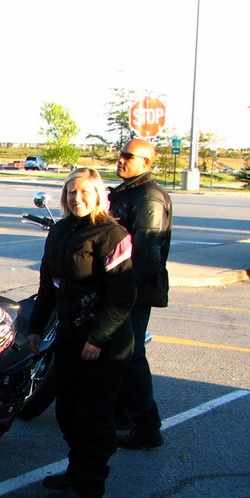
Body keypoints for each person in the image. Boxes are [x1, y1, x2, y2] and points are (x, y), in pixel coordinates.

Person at [27, 168, 136, 498]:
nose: (77, 198)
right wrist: (36, 327)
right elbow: (48, 285)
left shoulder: (112, 234)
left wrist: (99, 338)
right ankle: (76, 470)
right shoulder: (60, 231)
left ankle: (89, 487)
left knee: (93, 416)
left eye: (85, 192)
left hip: (105, 341)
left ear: (99, 195)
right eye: (71, 192)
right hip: (70, 334)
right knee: (68, 410)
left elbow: (122, 296)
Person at [108, 138, 172, 450]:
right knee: (117, 352)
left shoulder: (149, 197)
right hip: (119, 284)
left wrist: (124, 288)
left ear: (146, 162)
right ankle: (121, 415)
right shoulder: (128, 191)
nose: (121, 159)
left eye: (129, 155)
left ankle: (147, 427)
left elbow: (146, 251)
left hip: (132, 288)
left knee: (130, 355)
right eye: (121, 153)